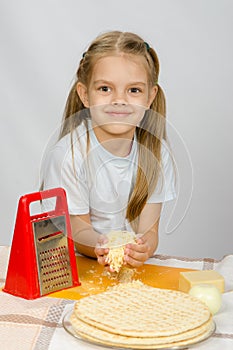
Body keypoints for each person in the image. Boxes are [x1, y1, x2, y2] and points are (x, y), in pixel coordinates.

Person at [41, 30, 176, 271]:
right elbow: (78, 231)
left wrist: (144, 248)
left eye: (133, 90)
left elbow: (149, 229)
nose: (119, 100)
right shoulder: (68, 155)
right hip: (77, 266)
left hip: (126, 269)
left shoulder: (156, 153)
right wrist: (101, 245)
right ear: (85, 95)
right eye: (105, 89)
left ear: (149, 97)